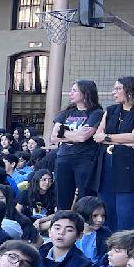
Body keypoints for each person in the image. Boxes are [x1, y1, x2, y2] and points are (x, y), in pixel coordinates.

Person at [48, 79, 104, 211]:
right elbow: (53, 137)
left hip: (85, 159)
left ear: (85, 93)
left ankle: (86, 221)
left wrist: (63, 133)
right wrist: (74, 135)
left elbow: (83, 137)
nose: (70, 93)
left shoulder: (96, 113)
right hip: (63, 158)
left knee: (86, 197)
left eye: (74, 91)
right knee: (62, 198)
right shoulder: (65, 113)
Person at [97, 76, 134, 231]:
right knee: (108, 211)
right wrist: (123, 141)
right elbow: (98, 136)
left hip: (129, 169)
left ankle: (127, 245)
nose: (113, 92)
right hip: (107, 166)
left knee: (127, 213)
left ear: (130, 90)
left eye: (118, 88)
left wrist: (107, 138)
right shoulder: (110, 110)